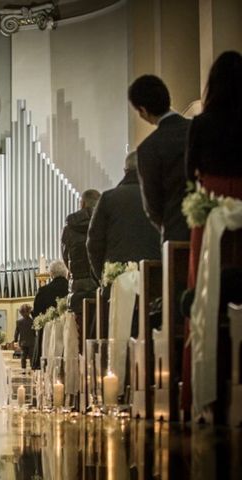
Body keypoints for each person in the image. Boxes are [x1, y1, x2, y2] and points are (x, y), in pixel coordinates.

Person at [182, 50, 242, 418]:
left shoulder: (202, 125)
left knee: (207, 293)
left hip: (211, 213)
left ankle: (204, 391)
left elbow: (191, 179)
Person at [128, 74, 191, 242]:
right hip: (212, 225)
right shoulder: (198, 129)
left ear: (143, 110)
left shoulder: (149, 148)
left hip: (176, 231)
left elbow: (153, 206)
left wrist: (168, 223)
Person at [87, 151, 161, 282]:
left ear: (125, 170)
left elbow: (94, 243)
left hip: (118, 276)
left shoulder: (108, 198)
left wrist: (103, 275)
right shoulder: (158, 197)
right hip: (154, 276)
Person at [61, 189, 101, 315]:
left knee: (79, 328)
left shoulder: (68, 228)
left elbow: (65, 257)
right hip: (99, 283)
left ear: (82, 203)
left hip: (77, 286)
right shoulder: (103, 223)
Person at [31, 260, 69, 364]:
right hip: (69, 334)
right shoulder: (71, 290)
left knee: (46, 365)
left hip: (47, 336)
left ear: (51, 274)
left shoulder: (43, 291)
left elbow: (36, 317)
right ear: (66, 272)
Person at [13, 304, 37, 370]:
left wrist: (15, 340)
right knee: (31, 356)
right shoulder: (33, 321)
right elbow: (35, 332)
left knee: (23, 356)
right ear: (29, 312)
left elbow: (16, 332)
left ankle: (23, 369)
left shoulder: (19, 322)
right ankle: (33, 369)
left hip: (23, 342)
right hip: (32, 341)